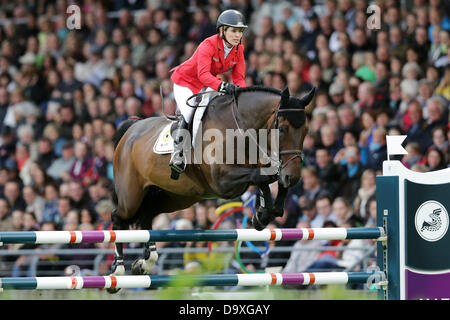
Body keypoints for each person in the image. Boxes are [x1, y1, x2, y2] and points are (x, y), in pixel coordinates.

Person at [169, 9, 248, 176]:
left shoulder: (239, 49)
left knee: (218, 108)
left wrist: (243, 95)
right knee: (191, 112)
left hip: (210, 82)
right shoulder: (208, 44)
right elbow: (202, 75)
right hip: (186, 81)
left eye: (240, 31)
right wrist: (223, 86)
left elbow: (239, 78)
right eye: (233, 31)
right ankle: (178, 152)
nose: (237, 35)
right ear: (222, 31)